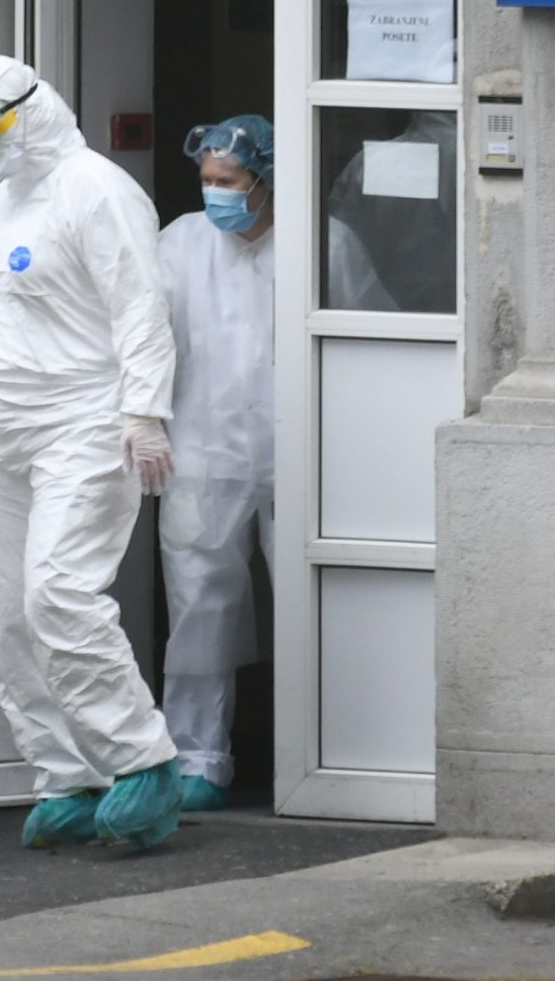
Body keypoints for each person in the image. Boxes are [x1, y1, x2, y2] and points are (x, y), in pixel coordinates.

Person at [0, 56, 184, 854]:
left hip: (79, 425)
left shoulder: (95, 188)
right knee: (4, 607)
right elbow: (14, 282)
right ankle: (64, 771)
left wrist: (145, 409)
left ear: (29, 115)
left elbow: (139, 305)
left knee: (58, 592)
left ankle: (142, 759)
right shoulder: (4, 199)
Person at [158, 115, 392, 811]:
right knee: (199, 609)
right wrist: (141, 419)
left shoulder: (323, 242)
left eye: (228, 182)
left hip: (299, 456)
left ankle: (329, 752)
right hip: (203, 455)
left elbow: (366, 340)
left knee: (311, 604)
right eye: (206, 181)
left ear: (265, 181)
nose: (215, 195)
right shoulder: (180, 244)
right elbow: (143, 338)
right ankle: (195, 756)